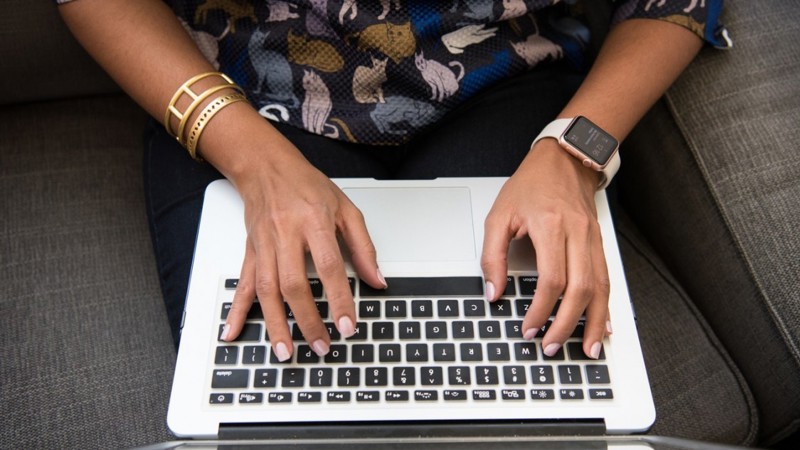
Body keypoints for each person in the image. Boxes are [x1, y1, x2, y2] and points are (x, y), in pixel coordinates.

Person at [56, 0, 727, 362]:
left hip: (508, 79)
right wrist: (256, 164)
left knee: (526, 390)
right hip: (247, 92)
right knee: (281, 390)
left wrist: (574, 151)